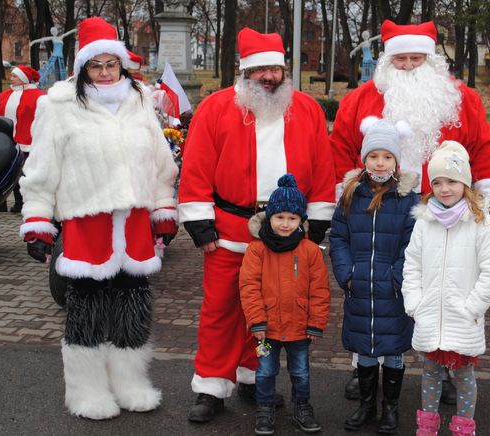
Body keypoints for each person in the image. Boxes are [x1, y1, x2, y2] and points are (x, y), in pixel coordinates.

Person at [331, 19, 490, 405]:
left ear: (431, 60)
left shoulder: (463, 100)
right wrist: (345, 198)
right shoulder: (359, 100)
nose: (408, 65)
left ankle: (445, 369)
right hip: (376, 217)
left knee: (445, 293)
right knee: (372, 297)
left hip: (445, 219)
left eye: (416, 58)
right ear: (388, 61)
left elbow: (485, 150)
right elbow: (339, 152)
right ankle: (366, 370)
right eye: (401, 58)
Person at [18, 17, 179, 420]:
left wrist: (163, 208)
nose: (105, 72)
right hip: (88, 225)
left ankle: (130, 383)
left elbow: (160, 162)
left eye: (112, 64)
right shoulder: (58, 105)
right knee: (86, 310)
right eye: (96, 65)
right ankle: (86, 392)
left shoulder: (141, 99)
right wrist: (37, 220)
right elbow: (41, 168)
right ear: (83, 68)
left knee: (133, 307)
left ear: (121, 65)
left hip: (135, 225)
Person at [178, 27, 335, 423]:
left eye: (276, 69)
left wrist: (315, 228)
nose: (269, 76)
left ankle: (254, 377)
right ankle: (211, 385)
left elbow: (321, 168)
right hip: (230, 230)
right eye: (260, 69)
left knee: (268, 312)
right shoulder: (215, 108)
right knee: (221, 309)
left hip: (286, 231)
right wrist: (201, 225)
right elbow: (195, 167)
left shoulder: (308, 110)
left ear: (285, 72)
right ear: (245, 71)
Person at [402, 141, 490, 436]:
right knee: (431, 372)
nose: (445, 188)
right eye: (437, 182)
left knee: (463, 375)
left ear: (465, 182)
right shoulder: (425, 222)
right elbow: (412, 265)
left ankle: (463, 428)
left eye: (452, 181)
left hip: (463, 315)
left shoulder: (481, 222)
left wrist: (472, 306)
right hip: (430, 315)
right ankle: (428, 428)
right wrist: (415, 303)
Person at [330, 117, 418, 434]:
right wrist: (347, 274)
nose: (380, 162)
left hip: (392, 291)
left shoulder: (408, 199)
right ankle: (366, 405)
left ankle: (390, 409)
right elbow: (339, 238)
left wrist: (397, 279)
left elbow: (412, 245)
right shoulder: (351, 196)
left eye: (387, 156)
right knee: (365, 349)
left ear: (395, 161)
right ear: (365, 159)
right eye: (374, 156)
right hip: (359, 287)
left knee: (392, 351)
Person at [240, 174, 330, 435]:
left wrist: (315, 322)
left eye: (293, 218)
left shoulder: (310, 251)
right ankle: (264, 408)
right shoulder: (257, 250)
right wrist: (256, 320)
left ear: (301, 220)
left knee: (300, 372)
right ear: (270, 217)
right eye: (280, 217)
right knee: (265, 372)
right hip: (265, 328)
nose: (286, 224)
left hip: (300, 326)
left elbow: (320, 290)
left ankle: (302, 406)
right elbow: (249, 287)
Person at [0, 65, 45, 213]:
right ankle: (7, 203)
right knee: (7, 174)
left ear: (24, 79)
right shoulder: (4, 95)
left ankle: (25, 203)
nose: (11, 78)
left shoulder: (40, 96)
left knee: (25, 175)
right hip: (7, 142)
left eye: (15, 76)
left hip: (29, 142)